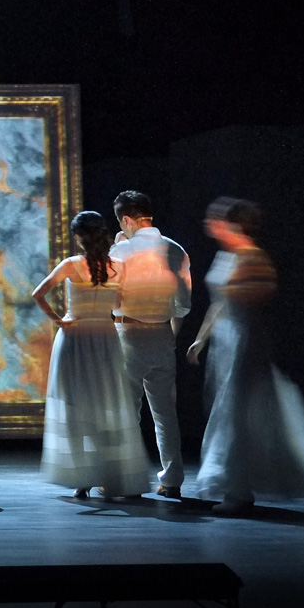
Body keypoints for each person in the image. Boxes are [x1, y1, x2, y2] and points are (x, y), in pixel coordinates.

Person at [185, 198, 304, 513]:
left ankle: (237, 490)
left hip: (246, 337)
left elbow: (262, 293)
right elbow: (218, 303)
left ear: (234, 224)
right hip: (226, 339)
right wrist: (201, 338)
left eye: (217, 220)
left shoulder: (253, 256)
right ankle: (235, 487)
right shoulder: (227, 256)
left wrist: (237, 299)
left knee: (237, 411)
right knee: (228, 409)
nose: (210, 225)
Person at [31, 211, 154, 499]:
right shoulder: (119, 267)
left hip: (75, 336)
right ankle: (110, 474)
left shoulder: (71, 264)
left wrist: (59, 321)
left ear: (78, 237)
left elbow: (38, 294)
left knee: (77, 404)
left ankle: (84, 476)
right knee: (105, 401)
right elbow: (120, 300)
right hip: (104, 337)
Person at [110, 190, 192, 498]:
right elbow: (182, 305)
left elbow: (110, 298)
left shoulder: (122, 251)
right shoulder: (175, 249)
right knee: (165, 414)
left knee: (127, 412)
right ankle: (172, 480)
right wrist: (169, 336)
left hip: (128, 334)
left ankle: (129, 479)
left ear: (126, 220)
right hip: (162, 335)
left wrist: (116, 246)